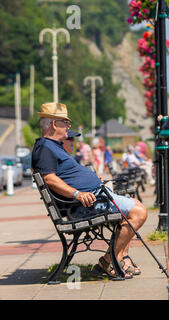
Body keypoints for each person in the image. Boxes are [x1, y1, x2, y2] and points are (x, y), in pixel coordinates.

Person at [31, 102, 147, 278]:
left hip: (92, 198)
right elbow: (50, 179)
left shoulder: (52, 146)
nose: (68, 126)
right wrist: (78, 193)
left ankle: (119, 258)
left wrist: (91, 179)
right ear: (54, 124)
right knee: (139, 212)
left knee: (134, 205)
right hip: (82, 206)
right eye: (65, 122)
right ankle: (110, 260)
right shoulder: (45, 148)